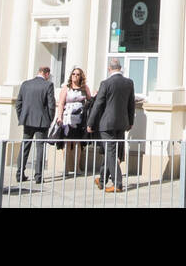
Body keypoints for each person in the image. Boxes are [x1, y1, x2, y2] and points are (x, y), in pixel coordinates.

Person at [86, 57, 134, 192]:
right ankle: (102, 180)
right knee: (111, 152)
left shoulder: (106, 83)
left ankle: (117, 183)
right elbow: (131, 104)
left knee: (111, 153)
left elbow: (98, 104)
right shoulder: (129, 83)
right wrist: (130, 122)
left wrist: (90, 122)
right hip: (122, 123)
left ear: (109, 69)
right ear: (120, 68)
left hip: (107, 124)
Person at [15, 66, 56, 183]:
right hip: (42, 122)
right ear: (46, 74)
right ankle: (38, 176)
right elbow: (51, 105)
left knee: (25, 147)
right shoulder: (48, 85)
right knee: (40, 148)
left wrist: (22, 117)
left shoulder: (25, 84)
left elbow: (18, 103)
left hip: (27, 120)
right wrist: (49, 119)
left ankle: (19, 174)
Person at [55, 67, 92, 175]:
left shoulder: (84, 88)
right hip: (67, 118)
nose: (75, 76)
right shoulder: (66, 88)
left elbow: (90, 100)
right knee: (66, 142)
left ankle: (77, 167)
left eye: (78, 74)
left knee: (78, 142)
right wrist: (59, 117)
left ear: (81, 77)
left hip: (80, 118)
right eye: (73, 74)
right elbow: (61, 103)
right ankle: (66, 167)